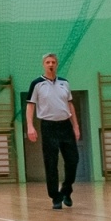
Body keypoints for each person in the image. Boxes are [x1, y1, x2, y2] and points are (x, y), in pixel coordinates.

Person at [25, 53, 80, 209]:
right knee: (51, 162)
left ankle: (66, 189)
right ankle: (55, 197)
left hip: (66, 126)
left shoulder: (65, 83)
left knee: (73, 160)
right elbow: (30, 105)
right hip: (48, 126)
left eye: (53, 62)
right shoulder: (36, 84)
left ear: (57, 64)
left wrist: (75, 126)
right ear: (44, 64)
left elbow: (70, 105)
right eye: (48, 62)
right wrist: (30, 126)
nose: (51, 64)